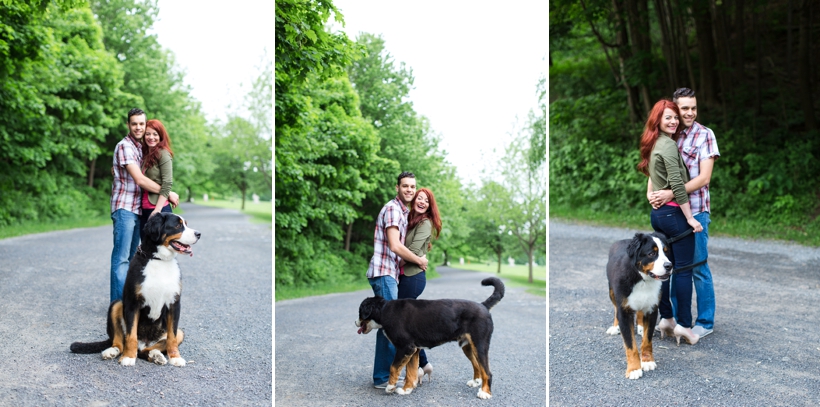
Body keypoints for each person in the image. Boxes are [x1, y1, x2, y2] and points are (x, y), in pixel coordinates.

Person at [648, 88, 720, 339]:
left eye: (693, 108)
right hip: (672, 213)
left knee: (697, 266)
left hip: (696, 210)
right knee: (673, 267)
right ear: (675, 110)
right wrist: (651, 192)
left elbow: (704, 177)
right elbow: (654, 168)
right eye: (684, 108)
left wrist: (669, 193)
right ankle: (677, 320)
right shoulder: (670, 134)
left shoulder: (705, 135)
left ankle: (704, 321)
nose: (689, 113)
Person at [637, 99, 702, 346]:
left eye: (676, 117)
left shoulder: (654, 144)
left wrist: (650, 194)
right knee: (682, 270)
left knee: (661, 270)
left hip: (659, 214)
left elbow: (652, 177)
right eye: (668, 117)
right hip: (674, 215)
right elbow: (676, 184)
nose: (674, 121)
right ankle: (684, 325)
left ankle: (666, 318)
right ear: (658, 120)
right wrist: (689, 217)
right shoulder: (667, 146)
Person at [366, 171, 430, 388]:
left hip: (389, 273)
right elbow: (394, 246)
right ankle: (383, 377)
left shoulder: (403, 212)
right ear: (397, 188)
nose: (410, 190)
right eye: (405, 186)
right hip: (384, 273)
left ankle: (386, 375)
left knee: (390, 326)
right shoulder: (393, 209)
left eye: (412, 186)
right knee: (390, 327)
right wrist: (419, 261)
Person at [110, 108, 178, 303]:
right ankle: (117, 305)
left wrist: (166, 191)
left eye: (142, 124)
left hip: (138, 209)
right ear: (128, 125)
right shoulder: (125, 146)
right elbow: (140, 179)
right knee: (122, 258)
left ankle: (130, 302)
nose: (139, 128)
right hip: (124, 208)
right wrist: (167, 192)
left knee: (133, 258)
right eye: (135, 124)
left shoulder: (142, 148)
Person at [397, 187, 442, 383]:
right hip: (407, 276)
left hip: (413, 278)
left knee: (403, 324)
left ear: (430, 206)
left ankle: (418, 368)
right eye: (419, 198)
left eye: (426, 200)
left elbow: (413, 249)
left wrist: (396, 261)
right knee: (408, 324)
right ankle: (424, 365)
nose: (422, 202)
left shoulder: (424, 223)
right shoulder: (410, 220)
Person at [139, 119, 175, 230]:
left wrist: (157, 210)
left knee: (161, 246)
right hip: (144, 208)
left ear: (160, 136)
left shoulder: (163, 153)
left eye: (155, 134)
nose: (151, 137)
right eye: (148, 134)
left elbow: (167, 182)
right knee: (147, 246)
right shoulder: (145, 154)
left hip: (159, 209)